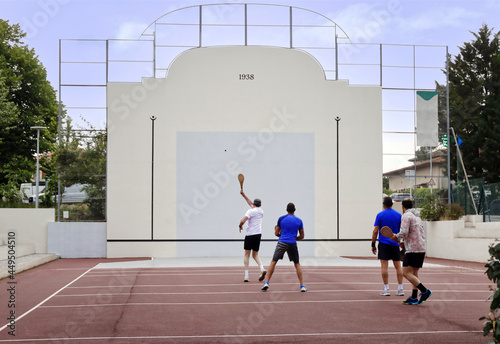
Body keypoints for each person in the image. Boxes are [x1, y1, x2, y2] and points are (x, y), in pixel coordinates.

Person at [389, 198, 432, 305]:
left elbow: (403, 231)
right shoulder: (417, 217)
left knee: (405, 272)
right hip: (421, 248)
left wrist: (396, 237)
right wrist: (403, 242)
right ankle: (413, 297)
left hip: (413, 249)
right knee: (414, 272)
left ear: (403, 207)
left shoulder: (406, 216)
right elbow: (414, 233)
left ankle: (425, 291)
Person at [261, 202, 306, 292]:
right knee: (297, 264)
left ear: (286, 210)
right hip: (292, 243)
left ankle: (266, 282)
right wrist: (294, 238)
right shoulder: (299, 220)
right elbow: (302, 236)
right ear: (294, 210)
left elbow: (276, 233)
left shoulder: (281, 219)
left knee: (273, 262)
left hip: (282, 242)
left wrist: (282, 235)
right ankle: (302, 286)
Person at [372, 196, 404, 296]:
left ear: (383, 204)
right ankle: (400, 289)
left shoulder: (380, 215)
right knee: (398, 266)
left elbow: (375, 231)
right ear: (392, 204)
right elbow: (402, 231)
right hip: (395, 243)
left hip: (383, 244)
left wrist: (373, 244)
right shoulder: (399, 215)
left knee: (384, 265)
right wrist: (401, 242)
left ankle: (386, 289)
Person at [239, 190, 266, 282]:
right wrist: (244, 195)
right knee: (255, 255)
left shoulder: (250, 211)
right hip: (258, 235)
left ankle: (246, 276)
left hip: (250, 234)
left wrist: (240, 225)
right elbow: (251, 203)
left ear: (254, 204)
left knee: (247, 255)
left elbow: (243, 220)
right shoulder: (261, 211)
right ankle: (262, 268)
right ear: (260, 205)